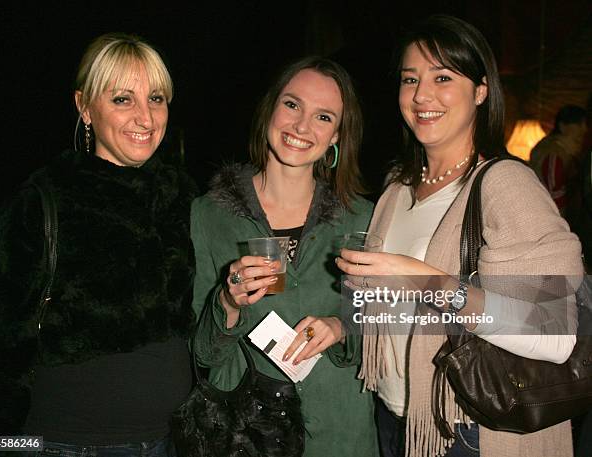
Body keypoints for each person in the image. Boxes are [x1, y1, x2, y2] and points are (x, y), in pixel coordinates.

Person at [336, 15, 583, 457]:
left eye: (443, 77)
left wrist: (424, 280)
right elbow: (396, 314)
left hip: (466, 427)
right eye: (409, 79)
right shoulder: (397, 188)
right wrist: (349, 313)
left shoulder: (504, 184)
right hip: (394, 415)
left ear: (481, 91)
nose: (421, 95)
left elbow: (554, 333)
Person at [0, 33, 196, 456]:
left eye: (155, 98)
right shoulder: (43, 201)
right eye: (122, 99)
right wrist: (0, 444)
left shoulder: (184, 198)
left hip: (172, 440)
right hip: (68, 445)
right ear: (84, 107)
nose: (145, 118)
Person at [191, 56, 379, 457]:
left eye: (323, 117)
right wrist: (227, 302)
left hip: (338, 432)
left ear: (337, 137)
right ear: (271, 109)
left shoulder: (363, 218)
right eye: (292, 105)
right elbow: (202, 352)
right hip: (246, 435)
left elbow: (387, 323)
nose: (301, 126)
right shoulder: (209, 215)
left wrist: (341, 324)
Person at [529, 105, 588, 215]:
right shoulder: (553, 154)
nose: (584, 129)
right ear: (563, 126)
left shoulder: (567, 152)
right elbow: (554, 194)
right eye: (579, 124)